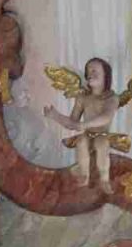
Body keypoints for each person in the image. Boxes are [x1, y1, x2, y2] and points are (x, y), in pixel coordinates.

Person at [49, 57, 121, 192]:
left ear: (105, 75)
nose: (90, 74)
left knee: (101, 143)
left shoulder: (111, 98)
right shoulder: (83, 98)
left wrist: (85, 124)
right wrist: (55, 116)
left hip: (102, 134)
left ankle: (104, 179)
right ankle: (84, 174)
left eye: (94, 71)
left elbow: (106, 116)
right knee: (81, 141)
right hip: (87, 133)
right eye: (88, 71)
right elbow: (72, 122)